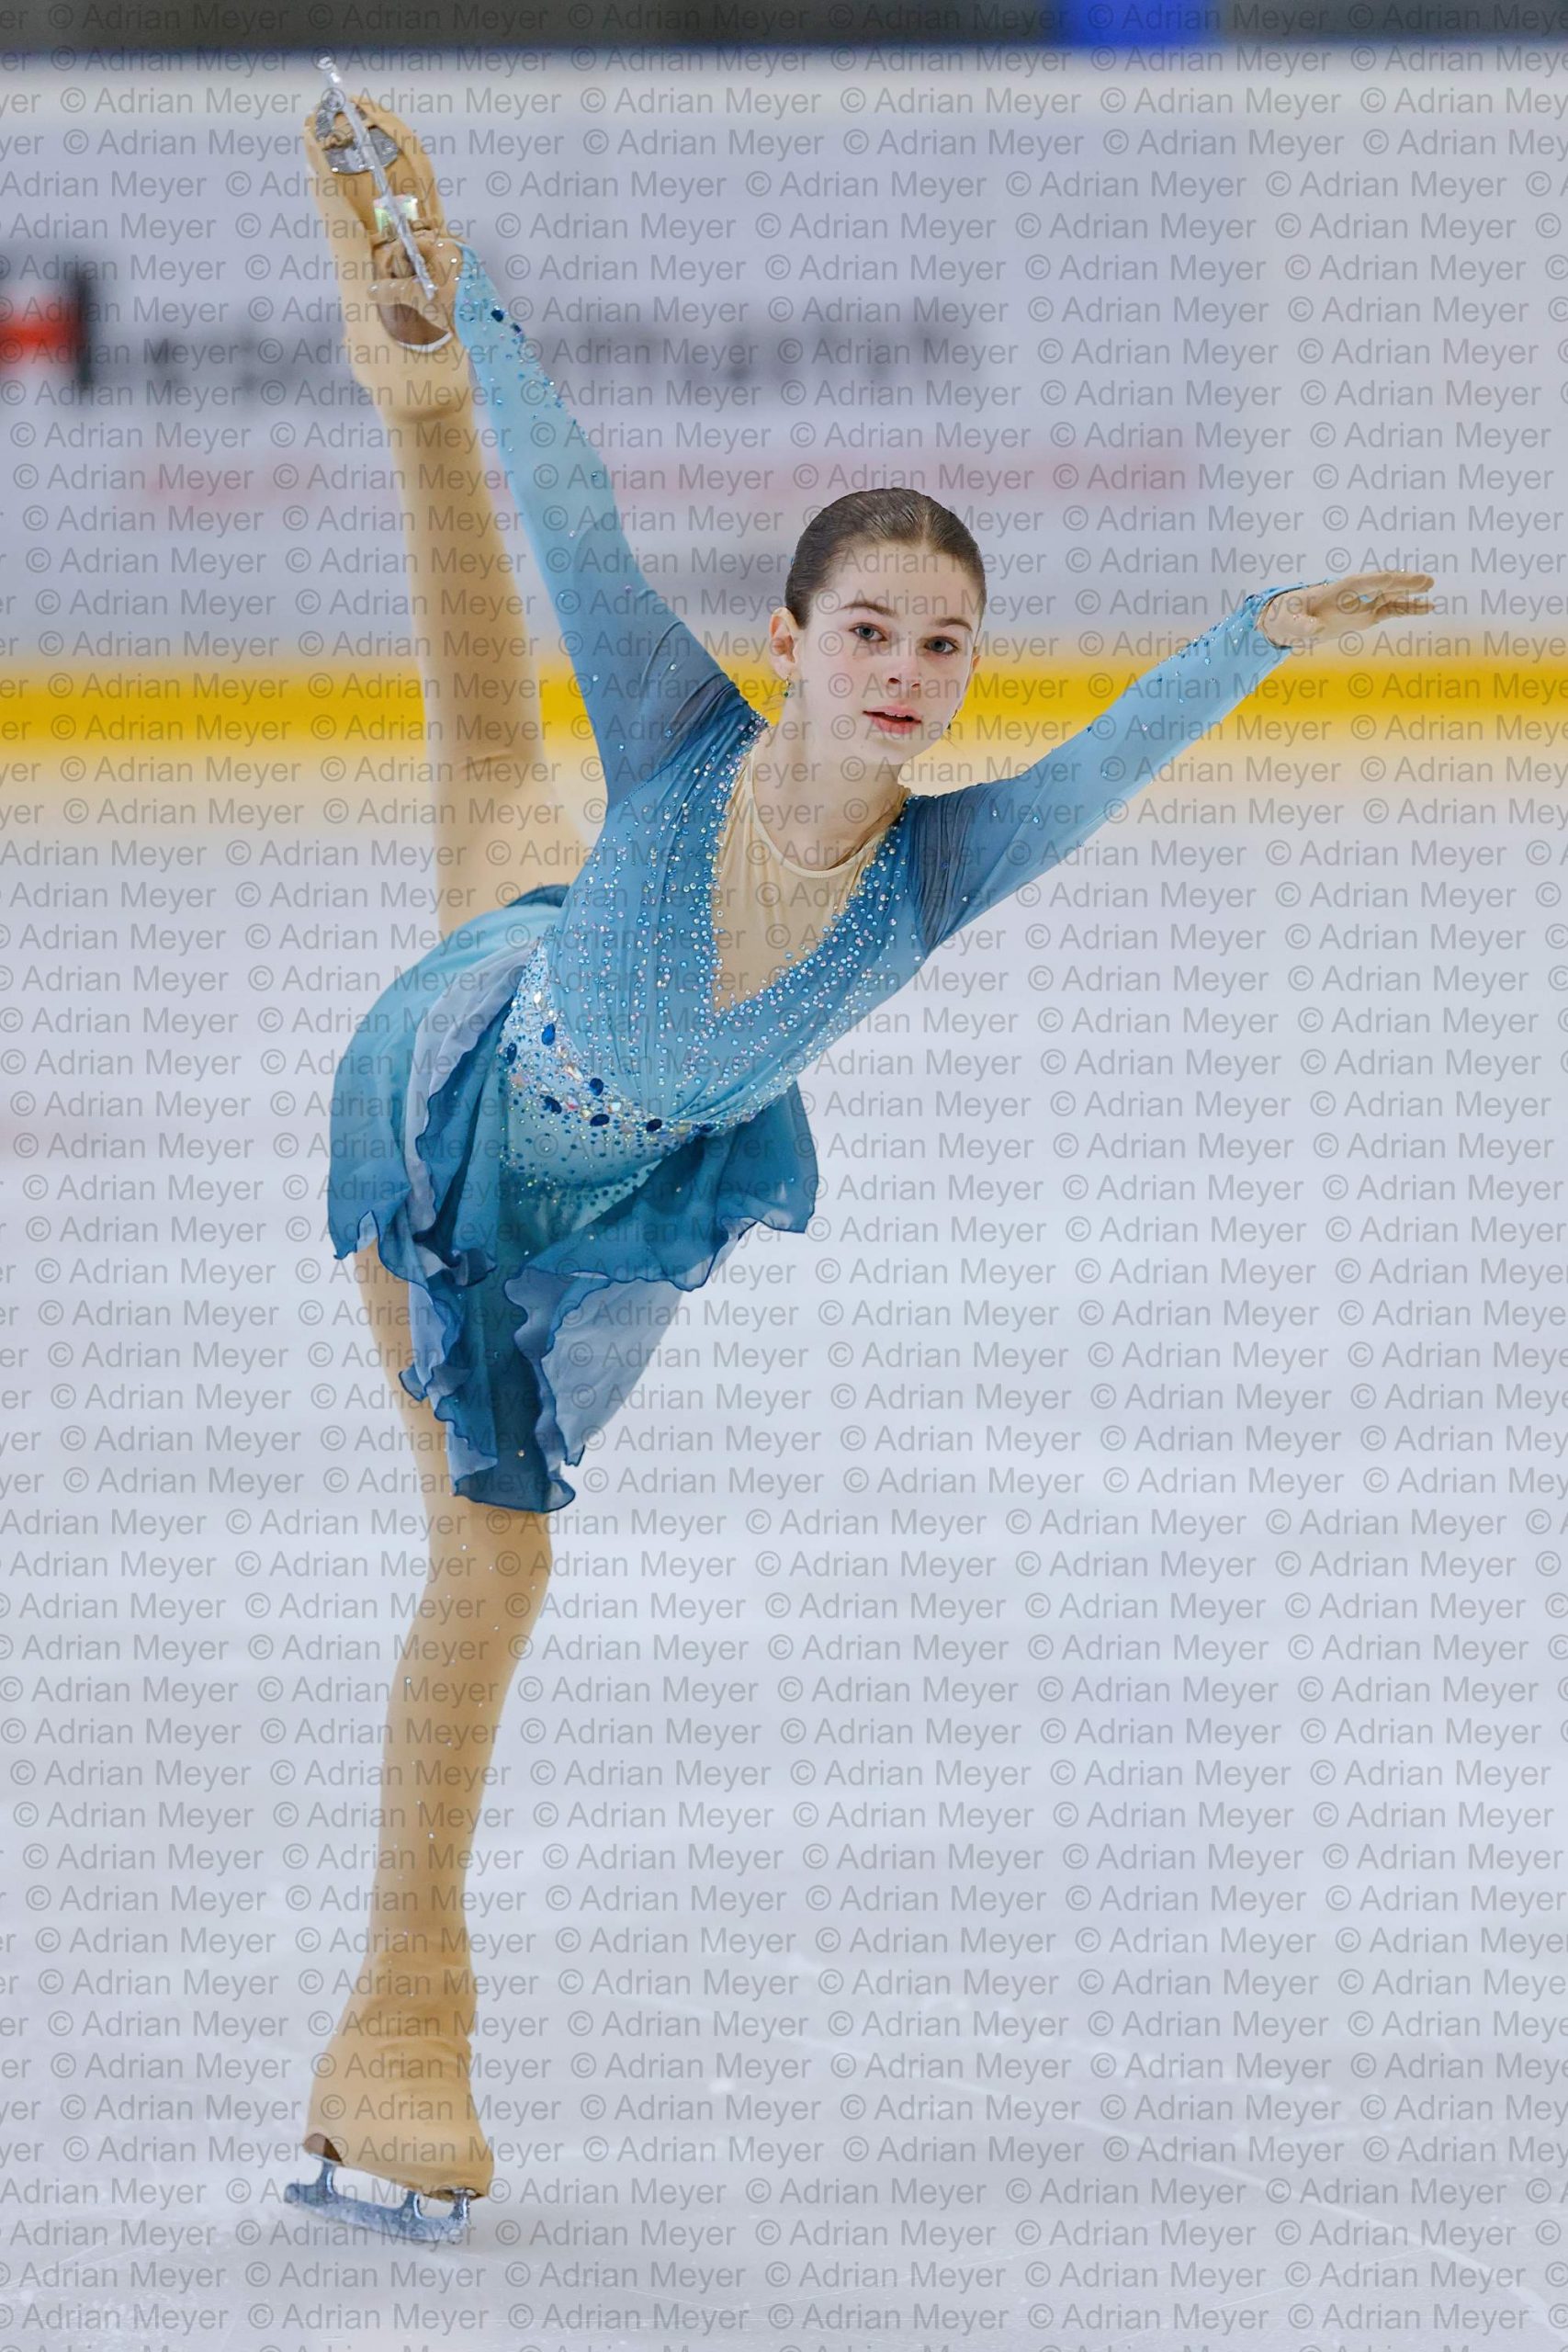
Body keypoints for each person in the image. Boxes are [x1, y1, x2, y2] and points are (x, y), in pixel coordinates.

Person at [285, 76, 1435, 2242]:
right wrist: (468, 307)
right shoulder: (680, 728)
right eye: (870, 630)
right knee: (496, 1555)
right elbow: (576, 510)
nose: (907, 672)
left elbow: (1104, 764)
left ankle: (394, 387)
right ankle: (398, 2016)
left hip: (624, 1175)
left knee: (487, 775)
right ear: (794, 641)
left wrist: (1250, 635)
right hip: (462, 1116)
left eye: (944, 641)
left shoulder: (939, 868)